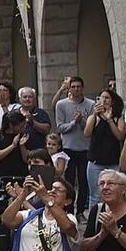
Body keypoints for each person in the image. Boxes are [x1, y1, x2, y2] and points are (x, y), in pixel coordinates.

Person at [53, 77, 92, 213]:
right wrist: (73, 123)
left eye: (78, 87)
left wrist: (81, 121)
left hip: (85, 148)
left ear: (82, 88)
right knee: (68, 182)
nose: (76, 89)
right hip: (68, 148)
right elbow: (60, 128)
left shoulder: (90, 104)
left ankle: (81, 211)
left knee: (83, 181)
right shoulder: (61, 105)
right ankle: (68, 210)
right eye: (73, 86)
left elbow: (90, 128)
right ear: (69, 88)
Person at [85, 89, 126, 208]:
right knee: (95, 196)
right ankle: (94, 223)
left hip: (113, 163)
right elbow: (87, 133)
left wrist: (109, 120)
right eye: (101, 97)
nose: (103, 100)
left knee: (115, 194)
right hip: (95, 163)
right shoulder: (94, 118)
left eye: (107, 98)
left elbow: (120, 136)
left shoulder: (118, 118)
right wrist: (94, 115)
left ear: (112, 101)